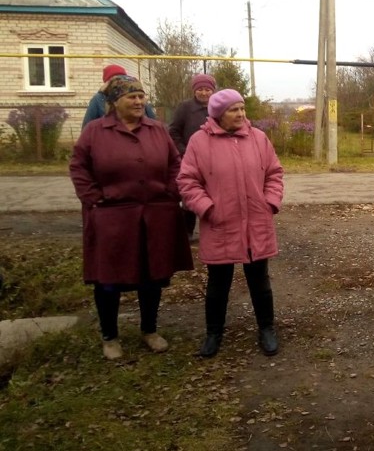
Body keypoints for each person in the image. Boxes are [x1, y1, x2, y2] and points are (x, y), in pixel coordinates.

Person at [69, 76, 193, 360]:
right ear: (114, 102)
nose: (138, 102)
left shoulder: (157, 130)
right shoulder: (95, 132)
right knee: (109, 279)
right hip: (113, 216)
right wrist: (93, 197)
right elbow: (79, 167)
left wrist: (172, 191)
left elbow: (175, 163)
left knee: (153, 275)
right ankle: (110, 336)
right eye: (131, 97)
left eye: (141, 96)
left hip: (155, 213)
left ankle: (149, 330)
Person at [177, 89, 285, 358]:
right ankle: (213, 333)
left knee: (260, 280)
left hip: (256, 223)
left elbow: (274, 173)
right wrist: (206, 208)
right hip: (220, 223)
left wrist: (269, 202)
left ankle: (266, 329)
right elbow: (187, 181)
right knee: (218, 283)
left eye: (242, 108)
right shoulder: (199, 142)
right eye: (233, 110)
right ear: (217, 114)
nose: (240, 114)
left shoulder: (258, 138)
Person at [169, 73, 217, 238]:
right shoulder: (185, 108)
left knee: (213, 194)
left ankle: (212, 230)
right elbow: (174, 131)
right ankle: (186, 233)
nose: (204, 93)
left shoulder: (218, 106)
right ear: (194, 91)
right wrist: (184, 151)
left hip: (215, 159)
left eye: (207, 89)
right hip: (190, 159)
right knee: (190, 196)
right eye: (200, 89)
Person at [82, 64, 156, 127]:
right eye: (115, 80)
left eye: (122, 78)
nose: (119, 83)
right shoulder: (99, 99)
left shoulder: (138, 97)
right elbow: (87, 127)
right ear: (107, 83)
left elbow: (153, 122)